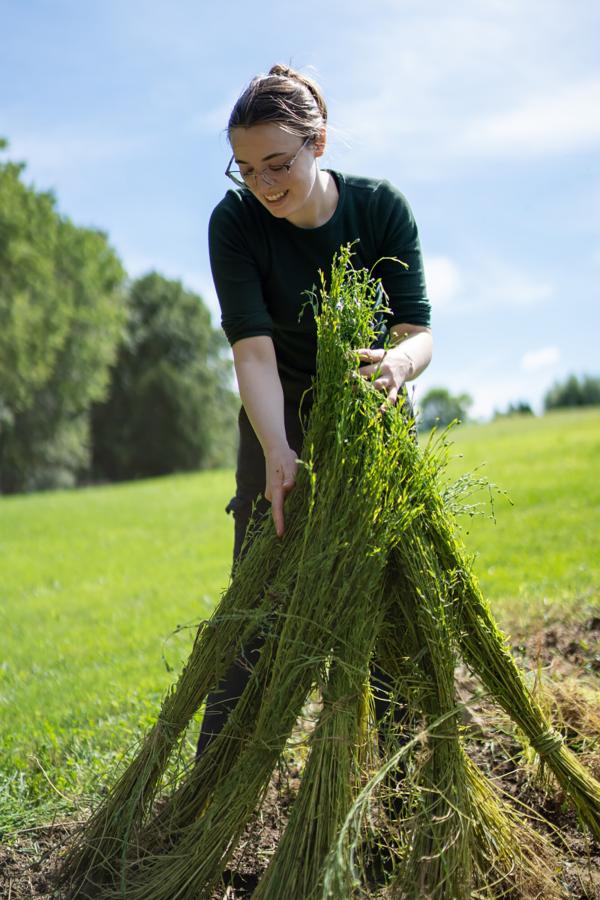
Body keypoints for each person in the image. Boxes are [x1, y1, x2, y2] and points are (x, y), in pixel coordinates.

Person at [196, 63, 432, 759]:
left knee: (387, 593)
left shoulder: (379, 209)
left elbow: (415, 334)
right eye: (246, 169)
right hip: (277, 415)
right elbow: (254, 353)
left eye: (278, 164)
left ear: (317, 143)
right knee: (257, 599)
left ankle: (401, 774)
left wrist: (397, 365)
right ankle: (210, 787)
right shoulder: (235, 223)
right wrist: (276, 451)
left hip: (370, 409)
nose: (263, 185)